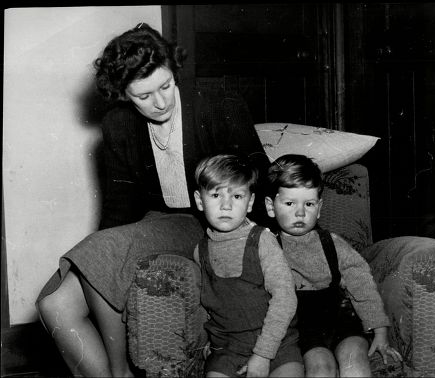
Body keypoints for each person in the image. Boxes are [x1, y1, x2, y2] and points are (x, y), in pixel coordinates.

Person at [35, 23, 270, 377]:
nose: (160, 102)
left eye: (166, 86)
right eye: (144, 96)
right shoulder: (118, 124)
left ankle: (120, 372)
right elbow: (117, 208)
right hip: (153, 222)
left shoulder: (219, 105)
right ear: (124, 94)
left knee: (102, 254)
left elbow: (261, 181)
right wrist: (103, 253)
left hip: (207, 226)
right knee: (54, 304)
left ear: (174, 72)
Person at [264, 154, 402, 377]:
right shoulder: (266, 248)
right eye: (290, 203)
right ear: (271, 207)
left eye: (308, 204)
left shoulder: (334, 244)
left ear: (319, 208)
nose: (300, 212)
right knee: (321, 368)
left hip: (341, 321)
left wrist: (380, 330)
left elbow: (362, 287)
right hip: (302, 331)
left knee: (354, 361)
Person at [192, 154, 304, 377]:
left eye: (237, 196)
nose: (226, 205)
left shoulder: (262, 240)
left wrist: (263, 355)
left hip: (277, 344)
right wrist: (209, 342)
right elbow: (208, 307)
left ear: (250, 202)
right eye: (215, 195)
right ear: (199, 200)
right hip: (228, 349)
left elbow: (286, 298)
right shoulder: (200, 251)